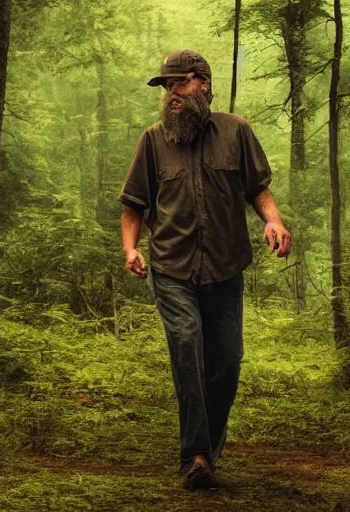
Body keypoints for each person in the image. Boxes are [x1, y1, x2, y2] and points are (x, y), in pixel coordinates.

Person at [118, 50, 292, 491]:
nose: (172, 95)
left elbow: (258, 189)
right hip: (172, 266)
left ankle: (208, 451)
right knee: (187, 344)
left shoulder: (236, 131)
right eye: (167, 87)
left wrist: (272, 219)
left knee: (227, 362)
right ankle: (195, 454)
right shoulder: (153, 140)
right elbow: (133, 203)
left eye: (179, 84)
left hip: (225, 266)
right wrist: (130, 248)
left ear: (203, 84)